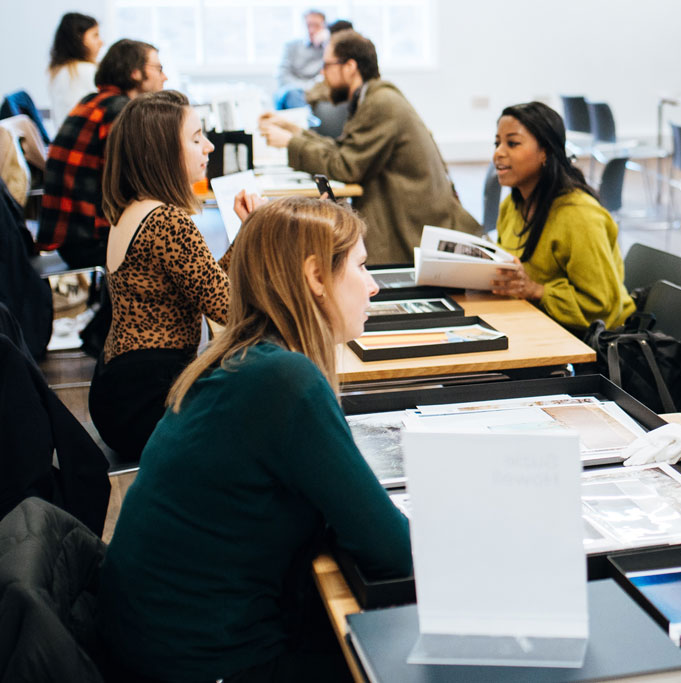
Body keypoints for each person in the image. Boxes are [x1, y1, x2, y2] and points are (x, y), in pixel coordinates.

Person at [99, 196, 412, 682]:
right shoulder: (285, 381)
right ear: (314, 276)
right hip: (208, 661)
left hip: (152, 644)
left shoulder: (237, 359)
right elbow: (394, 550)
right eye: (362, 266)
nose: (373, 285)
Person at [259, 30, 480, 265]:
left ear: (350, 67)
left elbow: (347, 166)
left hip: (410, 230)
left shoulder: (381, 102)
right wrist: (295, 131)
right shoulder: (372, 96)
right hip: (405, 218)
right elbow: (345, 149)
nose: (322, 73)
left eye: (327, 65)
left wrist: (291, 143)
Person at [87, 90, 226, 462]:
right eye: (196, 139)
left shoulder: (133, 208)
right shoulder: (167, 220)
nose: (209, 147)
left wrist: (247, 235)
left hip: (119, 390)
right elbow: (229, 306)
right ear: (162, 151)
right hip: (145, 401)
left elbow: (205, 283)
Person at [490, 102, 635, 334]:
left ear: (545, 152)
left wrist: (536, 290)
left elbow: (601, 306)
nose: (498, 152)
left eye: (512, 143)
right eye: (497, 143)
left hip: (594, 343)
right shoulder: (512, 205)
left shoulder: (579, 214)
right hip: (538, 325)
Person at [37, 39, 167, 269]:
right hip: (90, 242)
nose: (164, 77)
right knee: (170, 248)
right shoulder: (120, 111)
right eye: (158, 68)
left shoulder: (94, 101)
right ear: (135, 73)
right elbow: (134, 184)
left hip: (73, 237)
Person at [47, 12, 103, 129]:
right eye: (95, 35)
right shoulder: (87, 71)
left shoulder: (59, 71)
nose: (101, 42)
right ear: (78, 38)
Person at [275, 8, 330, 110]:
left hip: (317, 91)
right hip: (294, 90)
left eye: (316, 25)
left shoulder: (329, 48)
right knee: (292, 94)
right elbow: (283, 76)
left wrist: (326, 44)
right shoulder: (291, 46)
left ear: (324, 26)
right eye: (309, 25)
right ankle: (306, 123)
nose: (312, 30)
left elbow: (329, 76)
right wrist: (304, 88)